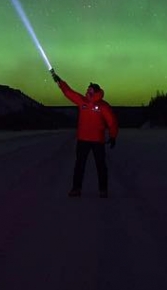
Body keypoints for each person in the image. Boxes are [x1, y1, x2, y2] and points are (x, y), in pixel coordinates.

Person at [51, 68, 119, 198]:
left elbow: (112, 122)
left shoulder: (103, 106)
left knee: (101, 166)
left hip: (97, 141)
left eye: (89, 90)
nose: (87, 91)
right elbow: (69, 92)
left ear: (96, 92)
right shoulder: (82, 102)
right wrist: (59, 82)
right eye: (87, 90)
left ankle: (103, 190)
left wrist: (113, 136)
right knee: (79, 165)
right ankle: (76, 189)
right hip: (83, 140)